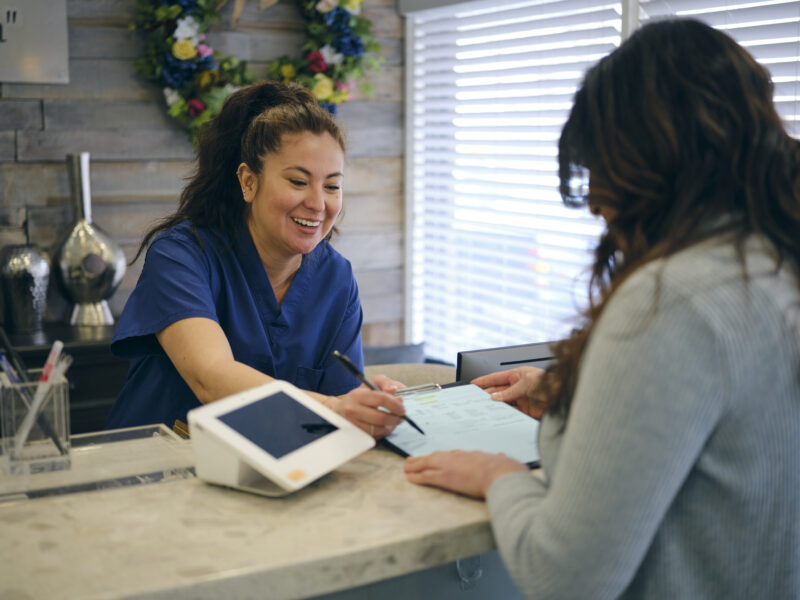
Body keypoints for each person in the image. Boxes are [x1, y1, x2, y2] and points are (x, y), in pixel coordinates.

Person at [404, 19, 800, 598]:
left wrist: (499, 476)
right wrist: (578, 397)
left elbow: (566, 577)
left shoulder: (670, 300)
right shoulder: (773, 263)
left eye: (601, 168)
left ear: (650, 161)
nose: (592, 203)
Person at [107, 81, 405, 438]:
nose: (318, 203)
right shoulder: (182, 256)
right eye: (298, 181)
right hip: (156, 470)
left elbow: (342, 403)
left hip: (279, 469)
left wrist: (368, 405)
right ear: (249, 181)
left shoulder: (336, 278)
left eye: (331, 186)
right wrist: (333, 408)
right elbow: (211, 377)